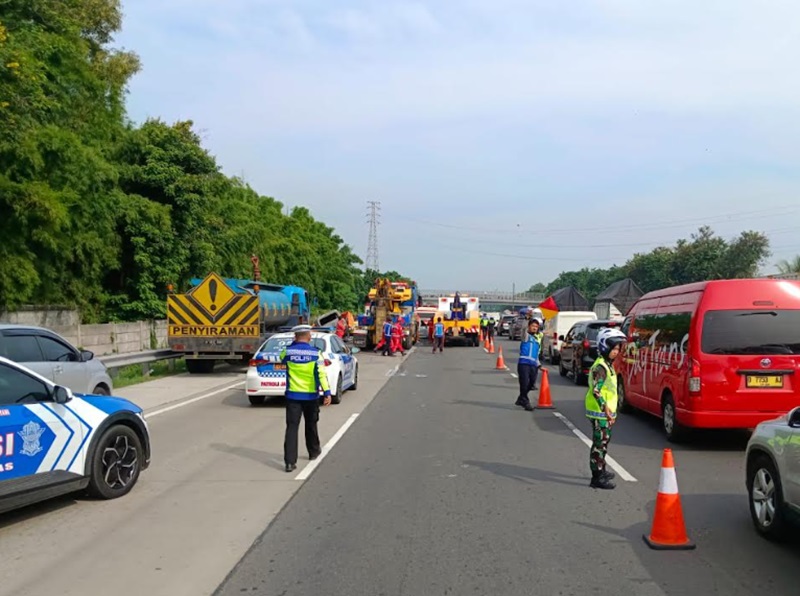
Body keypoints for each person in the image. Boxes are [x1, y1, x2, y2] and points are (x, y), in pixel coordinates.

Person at [280, 325, 332, 473]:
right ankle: (313, 452)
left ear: (295, 337)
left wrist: (293, 344)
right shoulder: (316, 354)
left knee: (291, 427)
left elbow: (282, 359)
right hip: (310, 396)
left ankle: (290, 462)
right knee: (311, 424)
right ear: (309, 337)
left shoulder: (287, 352)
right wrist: (327, 392)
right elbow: (321, 374)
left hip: (293, 396)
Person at [585, 327, 627, 490]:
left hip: (605, 412)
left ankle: (601, 470)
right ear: (604, 347)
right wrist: (606, 410)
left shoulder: (607, 365)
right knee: (599, 444)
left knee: (603, 442)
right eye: (614, 348)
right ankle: (596, 477)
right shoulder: (601, 367)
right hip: (600, 412)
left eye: (618, 349)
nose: (616, 352)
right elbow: (596, 391)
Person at [515, 318, 542, 411]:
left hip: (533, 365)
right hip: (524, 364)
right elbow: (523, 329)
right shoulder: (525, 336)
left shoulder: (537, 340)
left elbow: (536, 354)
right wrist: (526, 319)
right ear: (529, 327)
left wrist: (539, 365)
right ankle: (526, 402)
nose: (534, 328)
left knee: (531, 384)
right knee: (524, 383)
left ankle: (521, 398)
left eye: (536, 327)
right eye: (533, 326)